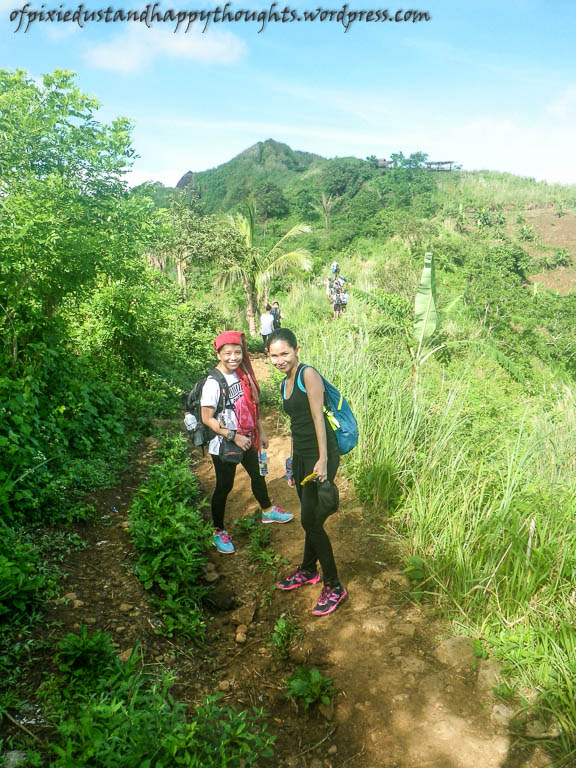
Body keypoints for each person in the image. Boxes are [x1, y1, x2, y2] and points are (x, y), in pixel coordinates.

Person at [268, 328, 347, 616]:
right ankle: (307, 569)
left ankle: (334, 585)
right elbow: (296, 425)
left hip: (320, 456)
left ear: (296, 350)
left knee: (311, 521)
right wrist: (291, 462)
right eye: (274, 355)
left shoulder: (307, 375)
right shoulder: (283, 384)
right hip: (302, 456)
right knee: (310, 517)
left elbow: (317, 417)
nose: (280, 360)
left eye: (284, 353)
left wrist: (323, 459)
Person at [200, 330, 293, 554]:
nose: (234, 357)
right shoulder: (213, 383)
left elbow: (251, 407)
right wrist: (232, 436)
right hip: (225, 442)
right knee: (225, 485)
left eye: (238, 352)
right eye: (228, 353)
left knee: (258, 473)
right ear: (218, 354)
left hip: (247, 437)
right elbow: (206, 418)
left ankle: (267, 510)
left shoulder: (242, 374)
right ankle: (218, 531)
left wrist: (259, 430)